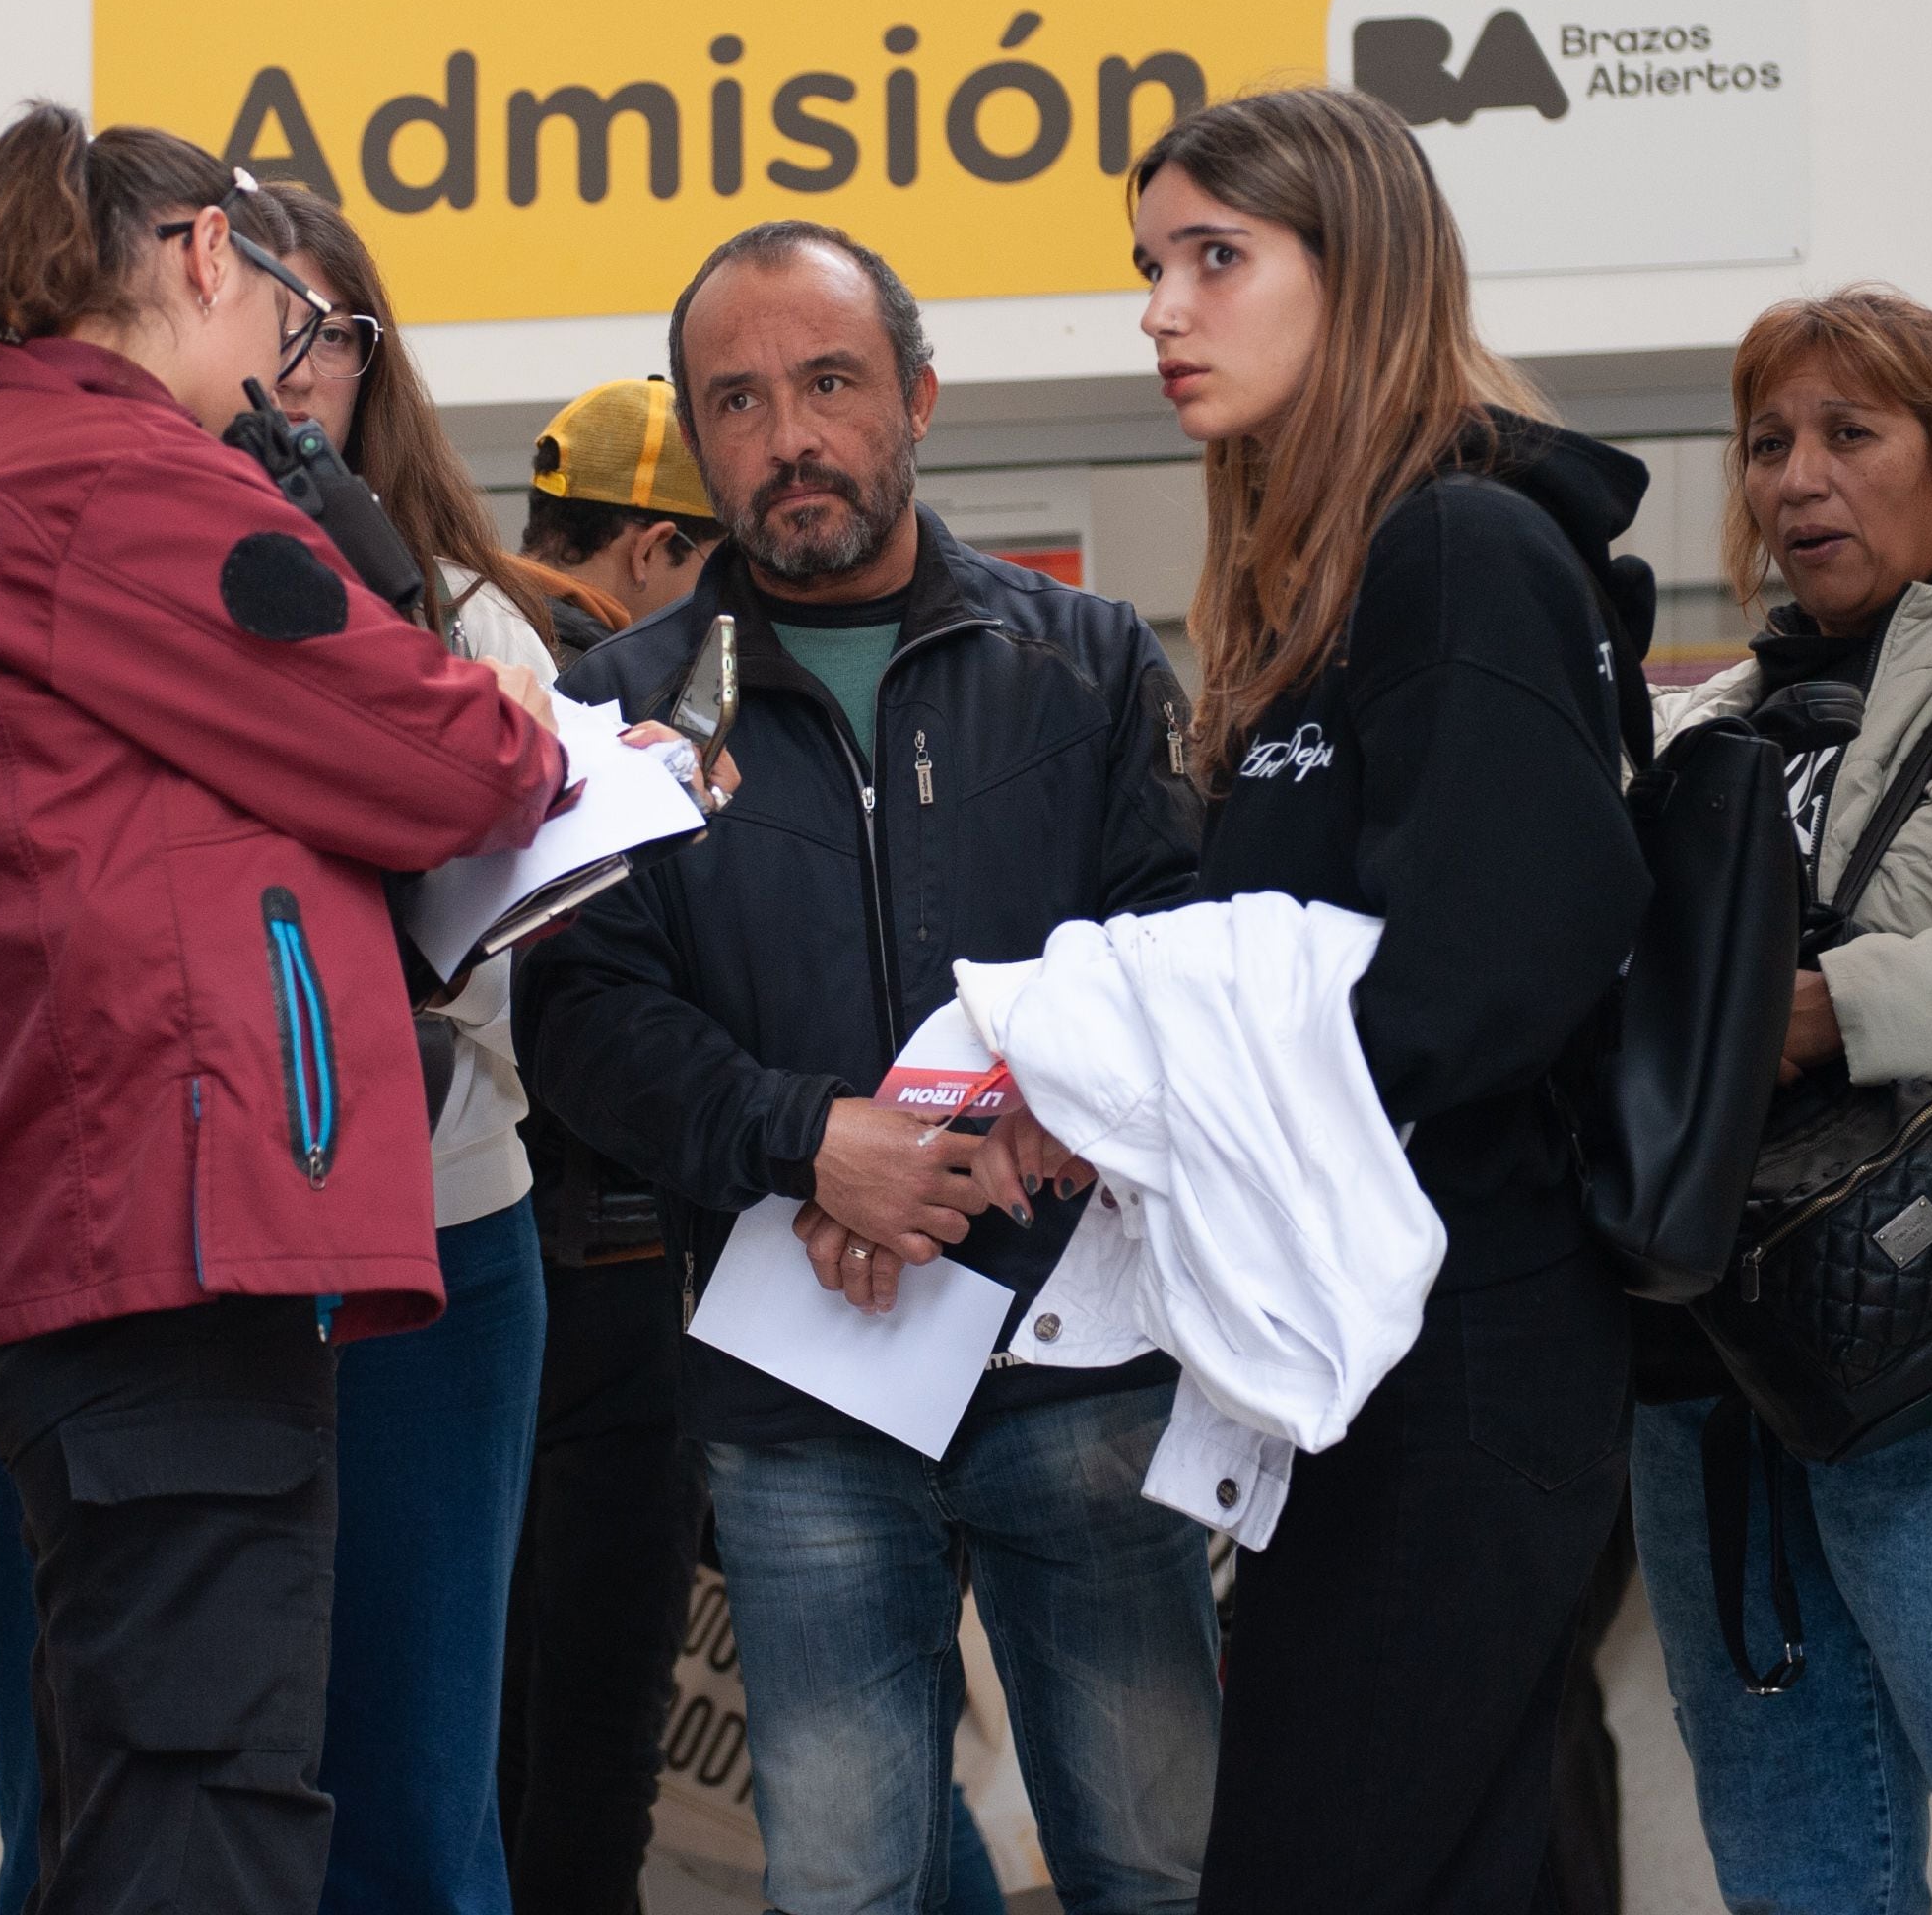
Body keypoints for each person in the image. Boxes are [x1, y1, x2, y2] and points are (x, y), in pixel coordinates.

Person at [0, 105, 573, 1913]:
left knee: (134, 1791)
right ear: (199, 258)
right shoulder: (120, 486)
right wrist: (519, 714)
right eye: (281, 313)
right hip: (171, 1239)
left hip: (80, 1223)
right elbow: (451, 755)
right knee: (213, 1808)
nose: (287, 371)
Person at [522, 218, 1220, 1915]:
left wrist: (925, 1145)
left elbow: (1164, 958)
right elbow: (585, 1020)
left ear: (916, 395)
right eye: (738, 401)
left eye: (829, 381)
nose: (788, 434)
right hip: (799, 1401)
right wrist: (805, 1142)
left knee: (1163, 1860)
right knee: (845, 1884)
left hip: (1086, 1360)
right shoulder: (621, 707)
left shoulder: (1092, 661)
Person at [1122, 85, 1648, 1914]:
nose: (1163, 312)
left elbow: (1491, 962)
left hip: (1470, 1337)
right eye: (1151, 267)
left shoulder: (1463, 550)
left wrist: (1180, 1089)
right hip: (1365, 1356)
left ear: (1361, 271)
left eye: (1216, 258)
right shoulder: (1331, 587)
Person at [1624, 286, 1932, 1915]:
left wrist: (1839, 1008)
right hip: (1701, 1350)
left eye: (1849, 433)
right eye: (1767, 443)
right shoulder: (1704, 725)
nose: (1799, 477)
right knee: (1788, 1855)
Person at [254, 182, 570, 1915]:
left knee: (418, 1786)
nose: (293, 373)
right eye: (262, 325)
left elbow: (507, 981)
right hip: (203, 1262)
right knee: (177, 1767)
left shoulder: (470, 623)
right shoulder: (147, 598)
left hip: (444, 1241)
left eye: (333, 338)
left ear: (378, 373)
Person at [497, 374, 724, 1915]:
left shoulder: (466, 656)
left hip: (476, 1268)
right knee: (582, 1768)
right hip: (611, 1266)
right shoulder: (618, 706)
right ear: (653, 547)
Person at [516, 376, 725, 653]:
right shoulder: (587, 682)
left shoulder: (462, 626)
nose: (719, 596)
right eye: (713, 568)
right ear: (648, 551)